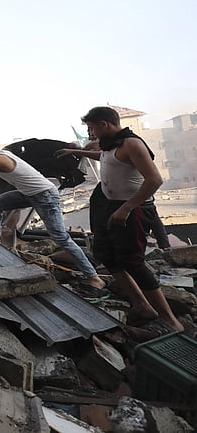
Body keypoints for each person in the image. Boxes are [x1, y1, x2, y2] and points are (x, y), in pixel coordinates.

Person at [56, 107, 183, 332]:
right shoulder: (111, 145)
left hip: (132, 209)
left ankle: (171, 320)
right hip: (111, 207)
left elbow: (154, 180)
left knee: (132, 261)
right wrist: (75, 152)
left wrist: (126, 208)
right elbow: (105, 159)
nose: (90, 133)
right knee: (106, 255)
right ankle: (141, 305)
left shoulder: (131, 144)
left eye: (92, 127)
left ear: (105, 124)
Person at [0, 134, 108, 297]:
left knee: (61, 238)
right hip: (30, 194)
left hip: (45, 196)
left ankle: (94, 278)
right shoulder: (0, 158)